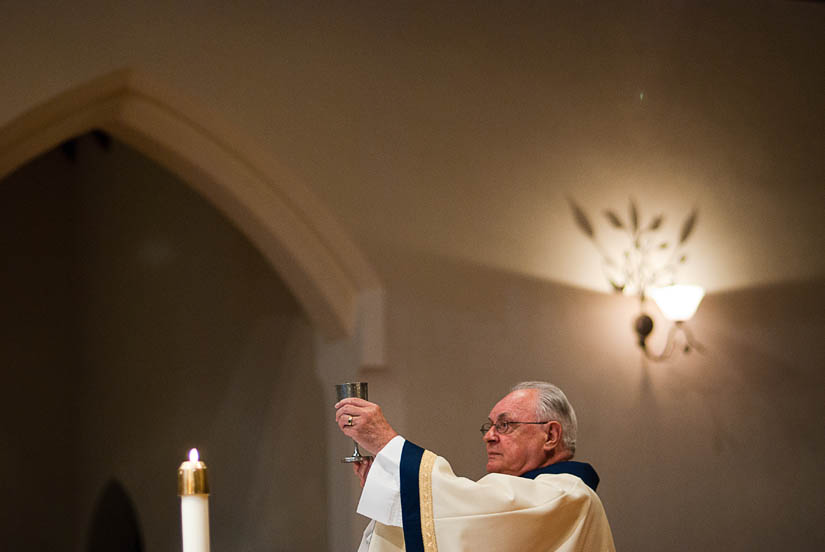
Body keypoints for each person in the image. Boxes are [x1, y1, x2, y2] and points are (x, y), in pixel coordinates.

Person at [335, 381, 615, 551]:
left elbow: (467, 513)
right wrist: (396, 484)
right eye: (489, 426)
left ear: (551, 435)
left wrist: (387, 443)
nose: (489, 436)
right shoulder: (531, 496)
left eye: (505, 425)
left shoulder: (571, 496)